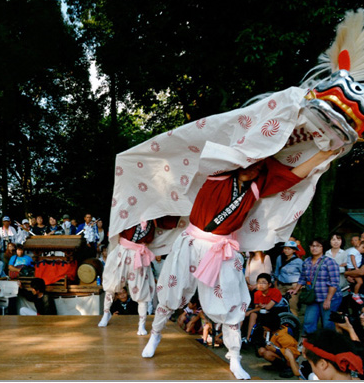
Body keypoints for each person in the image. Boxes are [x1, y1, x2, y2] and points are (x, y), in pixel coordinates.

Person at [143, 150, 337, 381]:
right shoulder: (217, 174)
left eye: (258, 166)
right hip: (191, 243)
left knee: (231, 303)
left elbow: (291, 176)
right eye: (249, 162)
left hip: (222, 249)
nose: (252, 168)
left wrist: (325, 154)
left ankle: (234, 356)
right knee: (171, 292)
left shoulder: (254, 190)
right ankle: (155, 333)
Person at [98, 216, 179, 335]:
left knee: (141, 289)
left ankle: (141, 324)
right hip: (123, 251)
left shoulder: (153, 220)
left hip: (139, 255)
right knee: (112, 283)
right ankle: (106, 313)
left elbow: (167, 222)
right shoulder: (130, 213)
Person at [288, 237, 342, 335]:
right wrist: (295, 290)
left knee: (327, 324)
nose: (314, 248)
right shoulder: (307, 261)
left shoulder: (329, 262)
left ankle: (328, 347)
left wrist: (328, 300)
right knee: (309, 321)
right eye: (312, 246)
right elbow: (302, 278)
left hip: (329, 298)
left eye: (317, 246)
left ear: (323, 248)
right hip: (313, 297)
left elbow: (334, 283)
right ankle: (309, 346)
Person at [256, 312, 301, 378]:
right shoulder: (272, 331)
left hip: (290, 359)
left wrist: (275, 350)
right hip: (281, 354)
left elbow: (293, 352)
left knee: (267, 354)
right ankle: (276, 366)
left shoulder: (283, 336)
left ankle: (288, 368)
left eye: (265, 327)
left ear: (269, 326)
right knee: (261, 350)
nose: (263, 328)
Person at [244, 273, 283, 342]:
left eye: (264, 283)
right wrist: (259, 307)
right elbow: (257, 307)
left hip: (276, 311)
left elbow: (268, 307)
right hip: (263, 311)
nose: (261, 285)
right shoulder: (257, 293)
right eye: (259, 283)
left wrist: (250, 311)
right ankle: (248, 337)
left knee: (251, 312)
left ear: (269, 284)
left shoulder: (275, 292)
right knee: (253, 314)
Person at [274, 240, 303, 316]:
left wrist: (297, 287)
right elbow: (276, 273)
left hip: (293, 286)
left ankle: (294, 324)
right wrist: (276, 286)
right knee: (278, 306)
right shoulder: (279, 258)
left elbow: (304, 275)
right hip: (281, 285)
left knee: (292, 306)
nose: (286, 250)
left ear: (294, 250)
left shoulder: (298, 261)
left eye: (289, 249)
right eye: (285, 248)